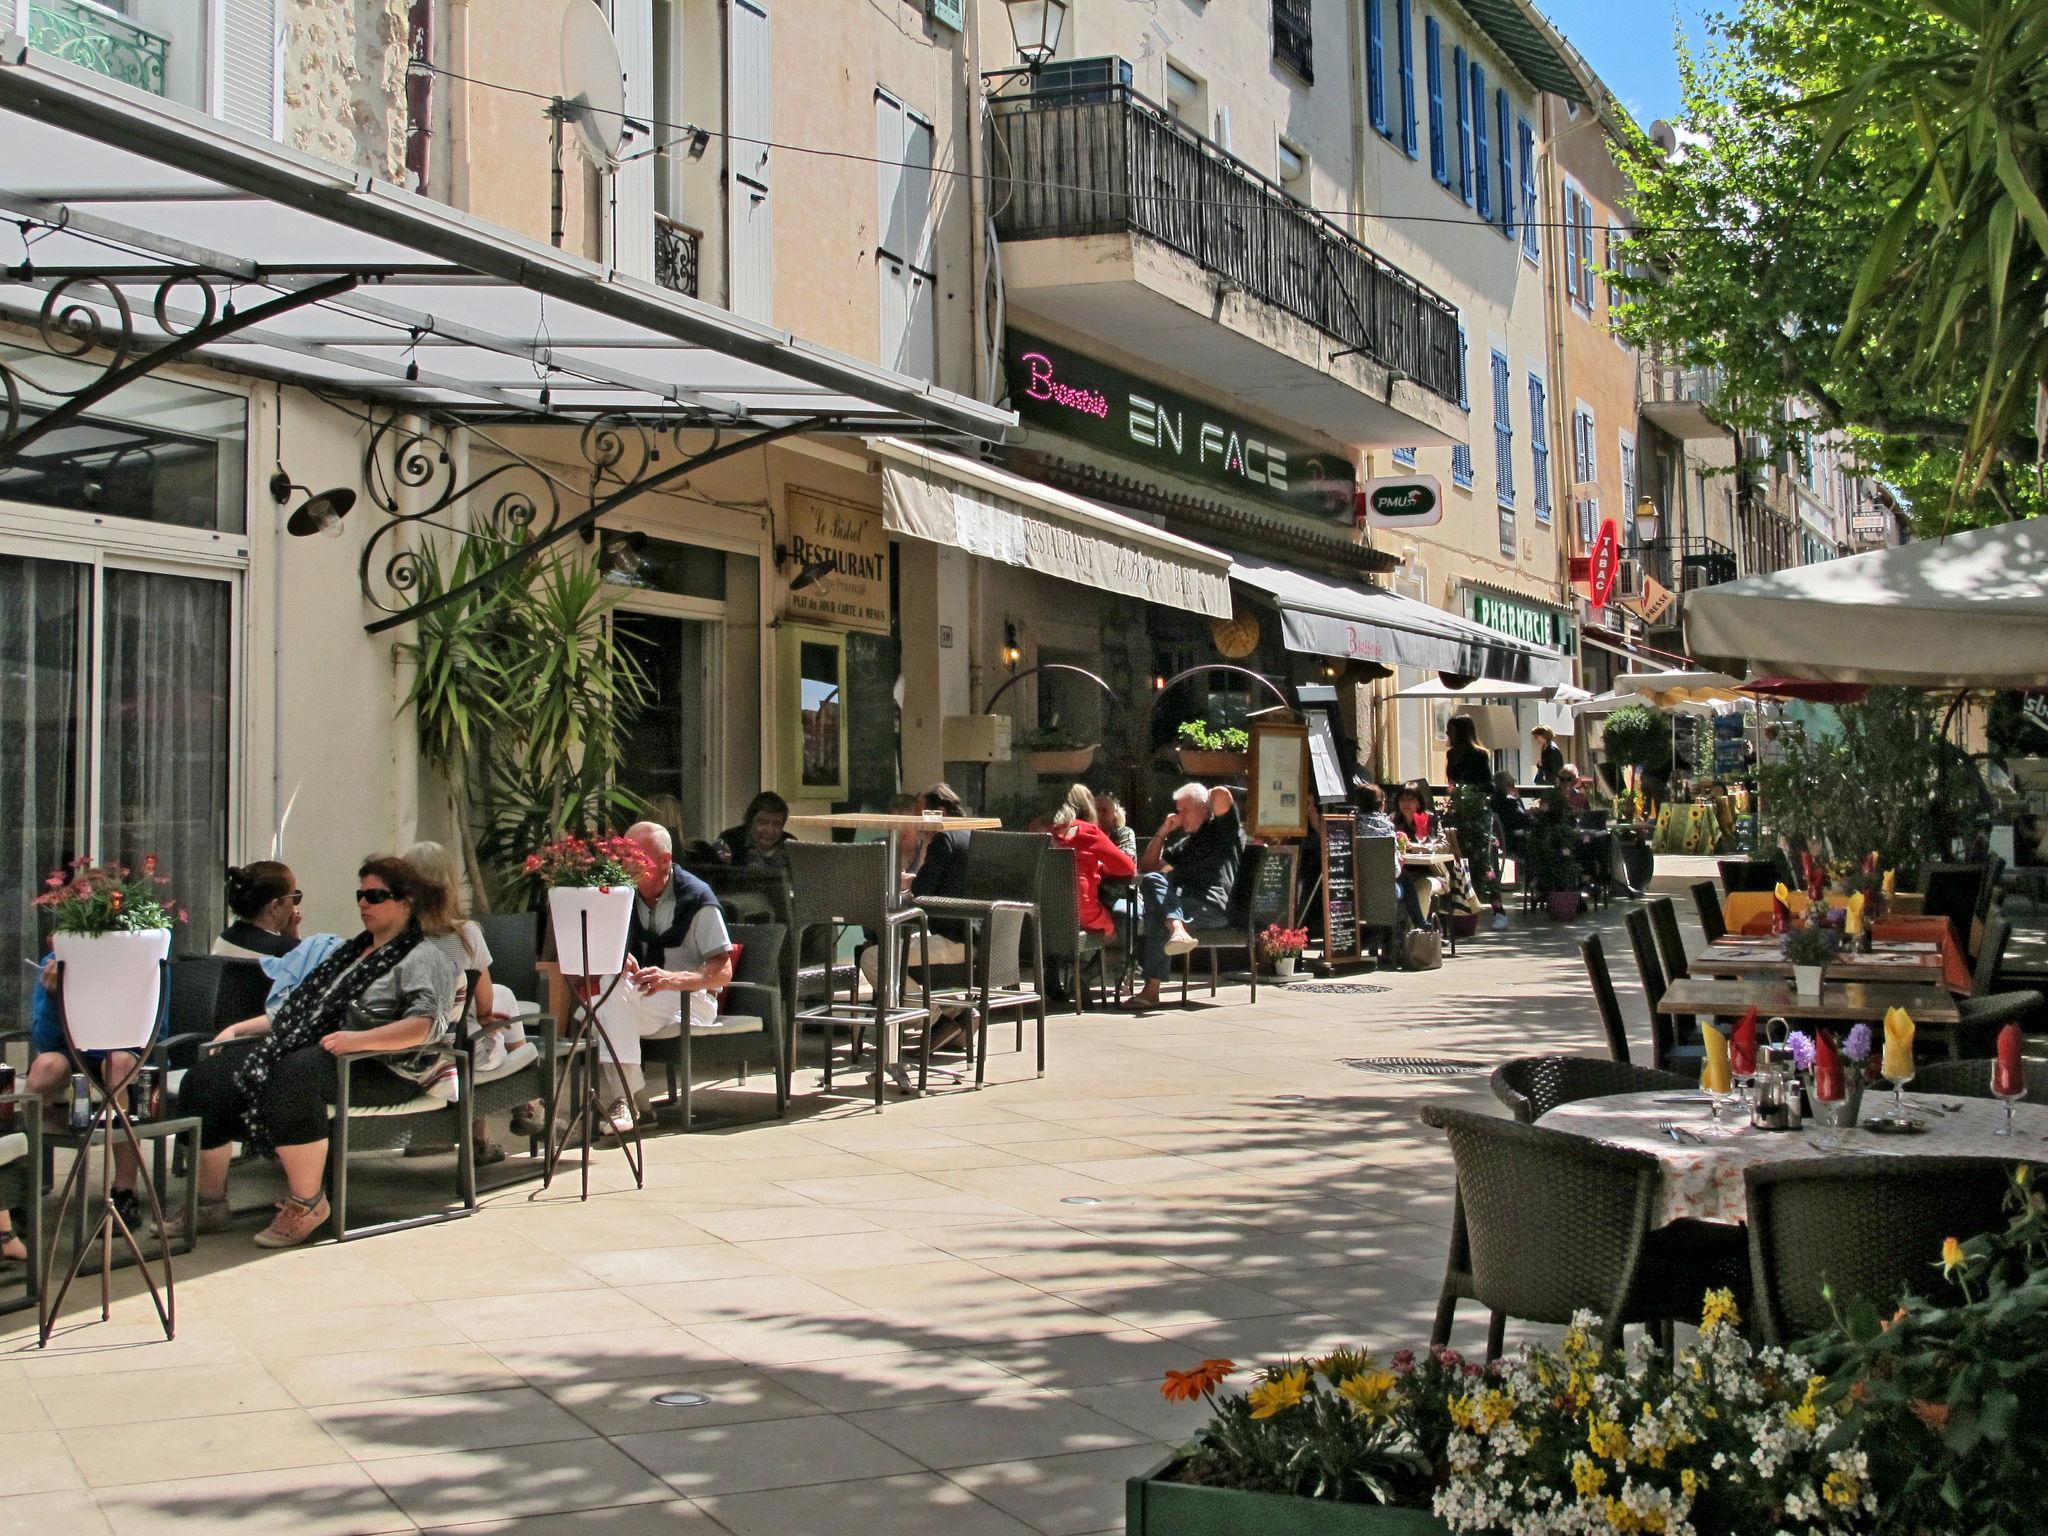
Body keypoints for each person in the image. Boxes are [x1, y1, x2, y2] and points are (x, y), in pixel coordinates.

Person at [168, 856, 461, 1247]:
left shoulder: (426, 956)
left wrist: (358, 1041)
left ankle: (308, 1203)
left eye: (375, 896)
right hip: (326, 1054)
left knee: (294, 1073)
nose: (363, 904)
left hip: (384, 1068)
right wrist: (238, 1029)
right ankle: (208, 1203)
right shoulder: (349, 953)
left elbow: (427, 1026)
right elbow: (299, 1011)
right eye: (361, 895)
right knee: (208, 1077)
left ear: (406, 902)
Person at [589, 822, 735, 1139]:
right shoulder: (621, 894)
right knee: (604, 999)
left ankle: (628, 1103)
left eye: (638, 857)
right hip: (642, 997)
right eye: (624, 856)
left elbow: (723, 971)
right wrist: (618, 958)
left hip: (691, 1000)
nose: (627, 865)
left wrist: (671, 979)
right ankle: (636, 1103)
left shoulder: (697, 898)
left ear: (666, 860)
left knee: (595, 1012)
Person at [403, 841, 514, 1166]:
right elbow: (484, 1004)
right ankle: (483, 1136)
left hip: (411, 1048)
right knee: (489, 1027)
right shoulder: (467, 935)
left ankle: (429, 1136)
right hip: (456, 1054)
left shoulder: (397, 938)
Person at [1127, 783, 1242, 1010]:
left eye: (1183, 810)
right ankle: (1177, 928)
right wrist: (1163, 831)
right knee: (1152, 881)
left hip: (1213, 907)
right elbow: (1148, 868)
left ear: (1202, 807)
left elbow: (1222, 795)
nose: (1178, 816)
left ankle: (1152, 990)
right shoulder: (1186, 844)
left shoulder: (1221, 829)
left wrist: (1206, 798)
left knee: (1160, 915)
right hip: (1184, 907)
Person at [1052, 783, 1137, 939]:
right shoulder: (1088, 831)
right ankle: (1107, 963)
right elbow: (1128, 867)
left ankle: (1079, 963)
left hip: (1053, 910)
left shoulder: (1055, 832)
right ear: (1087, 806)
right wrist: (1100, 866)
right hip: (1082, 909)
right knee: (1111, 931)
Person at [1354, 784, 1428, 930]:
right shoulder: (1386, 826)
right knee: (1405, 877)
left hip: (1354, 885)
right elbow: (1395, 871)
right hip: (1384, 888)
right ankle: (1420, 925)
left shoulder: (1349, 824)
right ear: (1382, 805)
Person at [213, 862, 303, 959]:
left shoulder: (224, 938)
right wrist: (292, 939)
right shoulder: (285, 951)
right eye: (294, 897)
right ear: (275, 906)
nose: (294, 906)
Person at [714, 791, 795, 874]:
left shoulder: (791, 845)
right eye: (763, 822)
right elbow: (716, 878)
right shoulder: (729, 839)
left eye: (776, 824)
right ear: (750, 821)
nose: (769, 830)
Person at [1445, 716, 1492, 790]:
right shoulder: (1451, 754)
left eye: (1450, 729)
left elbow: (1486, 782)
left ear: (1460, 732)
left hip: (1476, 797)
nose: (1447, 732)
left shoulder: (1478, 755)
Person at [1094, 791, 1139, 862]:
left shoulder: (1125, 833)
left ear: (1114, 814)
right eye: (1096, 810)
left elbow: (1127, 861)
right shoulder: (1087, 834)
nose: (1099, 815)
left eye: (1104, 810)